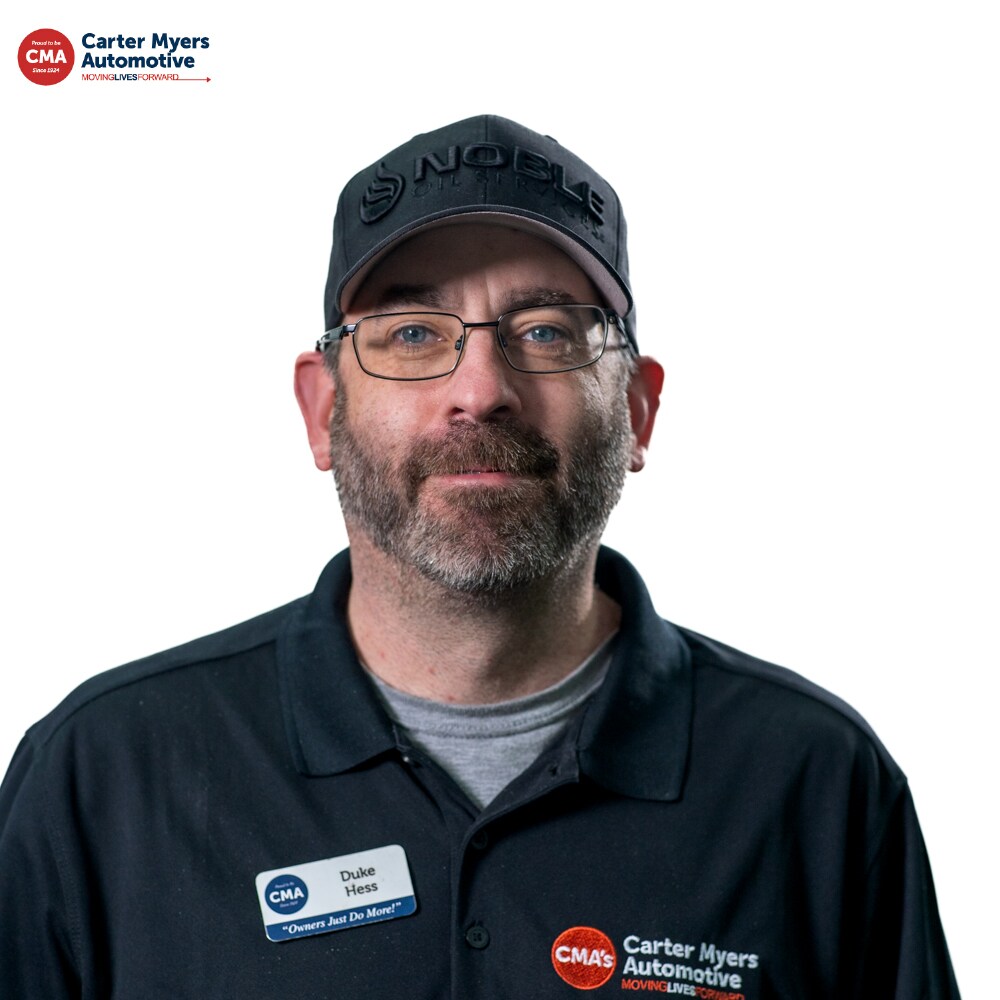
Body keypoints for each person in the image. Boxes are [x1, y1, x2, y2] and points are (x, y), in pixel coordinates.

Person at [0, 115, 959, 998]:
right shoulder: (102, 779)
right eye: (414, 334)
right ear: (323, 409)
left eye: (546, 332)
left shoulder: (816, 786)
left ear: (637, 410)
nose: (481, 390)